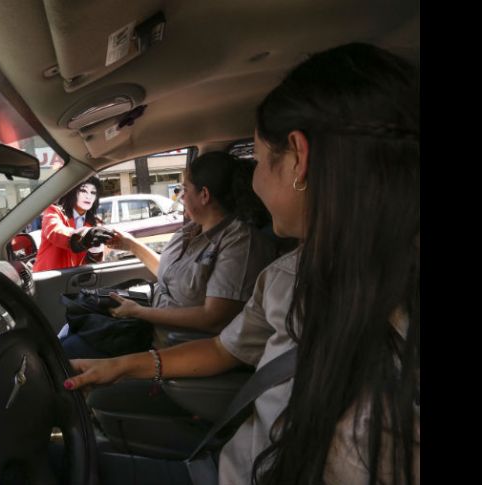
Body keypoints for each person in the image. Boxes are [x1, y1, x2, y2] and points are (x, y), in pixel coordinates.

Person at [64, 43, 419, 485]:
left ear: (299, 159)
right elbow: (223, 347)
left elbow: (215, 324)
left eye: (255, 158)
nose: (252, 180)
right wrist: (122, 365)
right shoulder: (288, 275)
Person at [60, 151, 277, 358]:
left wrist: (138, 312)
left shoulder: (239, 243)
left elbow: (213, 318)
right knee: (72, 327)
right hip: (150, 326)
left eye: (185, 189)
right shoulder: (190, 231)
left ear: (204, 195)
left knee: (70, 350)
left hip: (174, 345)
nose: (181, 196)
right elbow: (171, 277)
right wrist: (131, 245)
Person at [32, 176, 115, 272]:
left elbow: (91, 264)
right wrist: (85, 235)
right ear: (73, 192)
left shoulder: (94, 224)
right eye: (83, 191)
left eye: (93, 192)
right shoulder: (54, 211)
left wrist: (96, 253)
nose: (88, 196)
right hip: (47, 277)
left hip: (73, 280)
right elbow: (55, 232)